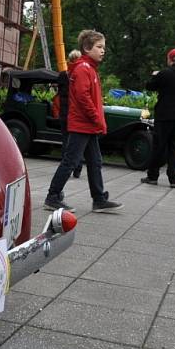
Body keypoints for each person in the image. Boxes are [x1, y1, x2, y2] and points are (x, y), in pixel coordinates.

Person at [44, 30, 123, 213]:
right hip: (82, 124)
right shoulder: (83, 69)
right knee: (70, 161)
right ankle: (53, 197)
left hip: (87, 125)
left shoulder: (90, 69)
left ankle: (99, 199)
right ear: (87, 48)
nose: (103, 50)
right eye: (99, 47)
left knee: (95, 162)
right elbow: (82, 97)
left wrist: (96, 121)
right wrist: (97, 120)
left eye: (104, 47)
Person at [141, 48, 175, 188]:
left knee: (159, 145)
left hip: (165, 115)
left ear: (170, 59)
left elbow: (150, 86)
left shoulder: (165, 73)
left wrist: (155, 76)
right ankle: (174, 180)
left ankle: (153, 176)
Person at [55, 50, 84, 180]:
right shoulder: (79, 75)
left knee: (66, 140)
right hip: (75, 113)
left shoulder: (62, 76)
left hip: (64, 113)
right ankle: (77, 168)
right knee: (77, 142)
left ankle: (65, 166)